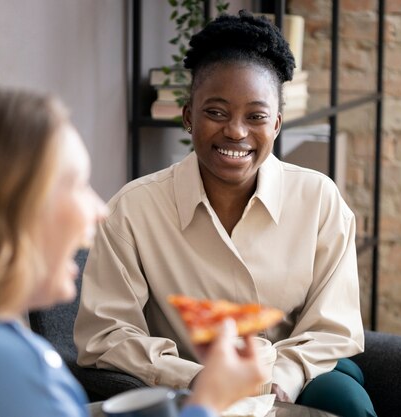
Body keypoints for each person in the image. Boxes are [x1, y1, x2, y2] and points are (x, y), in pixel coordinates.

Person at [0, 82, 267, 417]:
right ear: (7, 208)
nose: (99, 209)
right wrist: (210, 400)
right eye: (76, 183)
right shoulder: (1, 372)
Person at [74, 10, 377, 417]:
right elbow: (106, 335)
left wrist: (279, 381)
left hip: (298, 378)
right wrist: (194, 379)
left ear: (277, 125)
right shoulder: (134, 210)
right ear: (188, 116)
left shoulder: (319, 199)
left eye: (256, 117)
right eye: (216, 112)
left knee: (348, 403)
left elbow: (332, 327)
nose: (236, 131)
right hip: (189, 385)